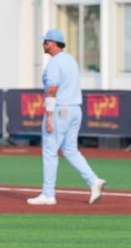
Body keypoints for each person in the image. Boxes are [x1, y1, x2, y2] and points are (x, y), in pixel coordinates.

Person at [27, 29, 106, 206]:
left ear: (54, 43)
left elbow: (52, 90)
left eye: (46, 42)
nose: (43, 44)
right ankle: (94, 181)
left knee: (49, 150)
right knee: (70, 150)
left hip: (60, 109)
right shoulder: (70, 60)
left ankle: (48, 194)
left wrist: (48, 116)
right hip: (75, 109)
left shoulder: (55, 63)